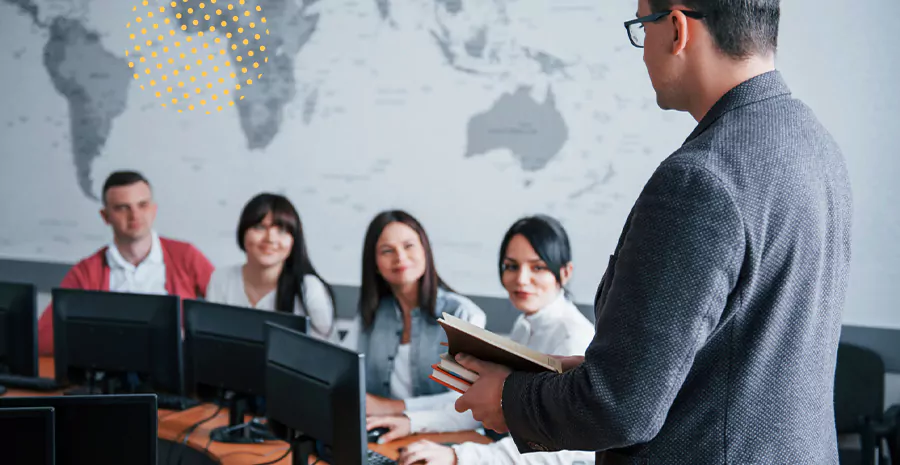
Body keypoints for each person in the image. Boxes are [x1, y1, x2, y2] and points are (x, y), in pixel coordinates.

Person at [453, 1, 853, 464]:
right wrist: (566, 373)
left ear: (677, 29)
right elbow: (731, 355)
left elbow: (620, 409)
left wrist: (509, 401)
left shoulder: (700, 179)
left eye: (642, 26)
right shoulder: (818, 146)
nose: (642, 50)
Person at [368, 215, 595, 465]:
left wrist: (458, 456)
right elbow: (485, 401)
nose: (521, 279)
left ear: (565, 272)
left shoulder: (573, 337)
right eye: (511, 266)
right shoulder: (524, 326)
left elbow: (558, 445)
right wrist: (413, 422)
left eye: (538, 267)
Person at [38, 171, 215, 355]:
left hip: (176, 373)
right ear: (105, 216)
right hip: (112, 373)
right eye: (123, 208)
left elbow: (227, 318)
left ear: (154, 210)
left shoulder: (185, 256)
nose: (135, 215)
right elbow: (43, 339)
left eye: (142, 205)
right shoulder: (86, 272)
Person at [340, 210, 487, 417]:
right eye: (386, 251)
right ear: (374, 264)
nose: (400, 257)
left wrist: (393, 408)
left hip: (443, 437)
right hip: (381, 432)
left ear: (425, 251)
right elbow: (339, 372)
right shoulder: (370, 313)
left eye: (409, 246)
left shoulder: (464, 314)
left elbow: (465, 399)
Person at [205, 193, 337, 340]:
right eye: (260, 227)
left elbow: (327, 356)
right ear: (243, 232)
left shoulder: (309, 289)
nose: (270, 239)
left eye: (281, 230)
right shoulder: (221, 279)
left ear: (294, 240)